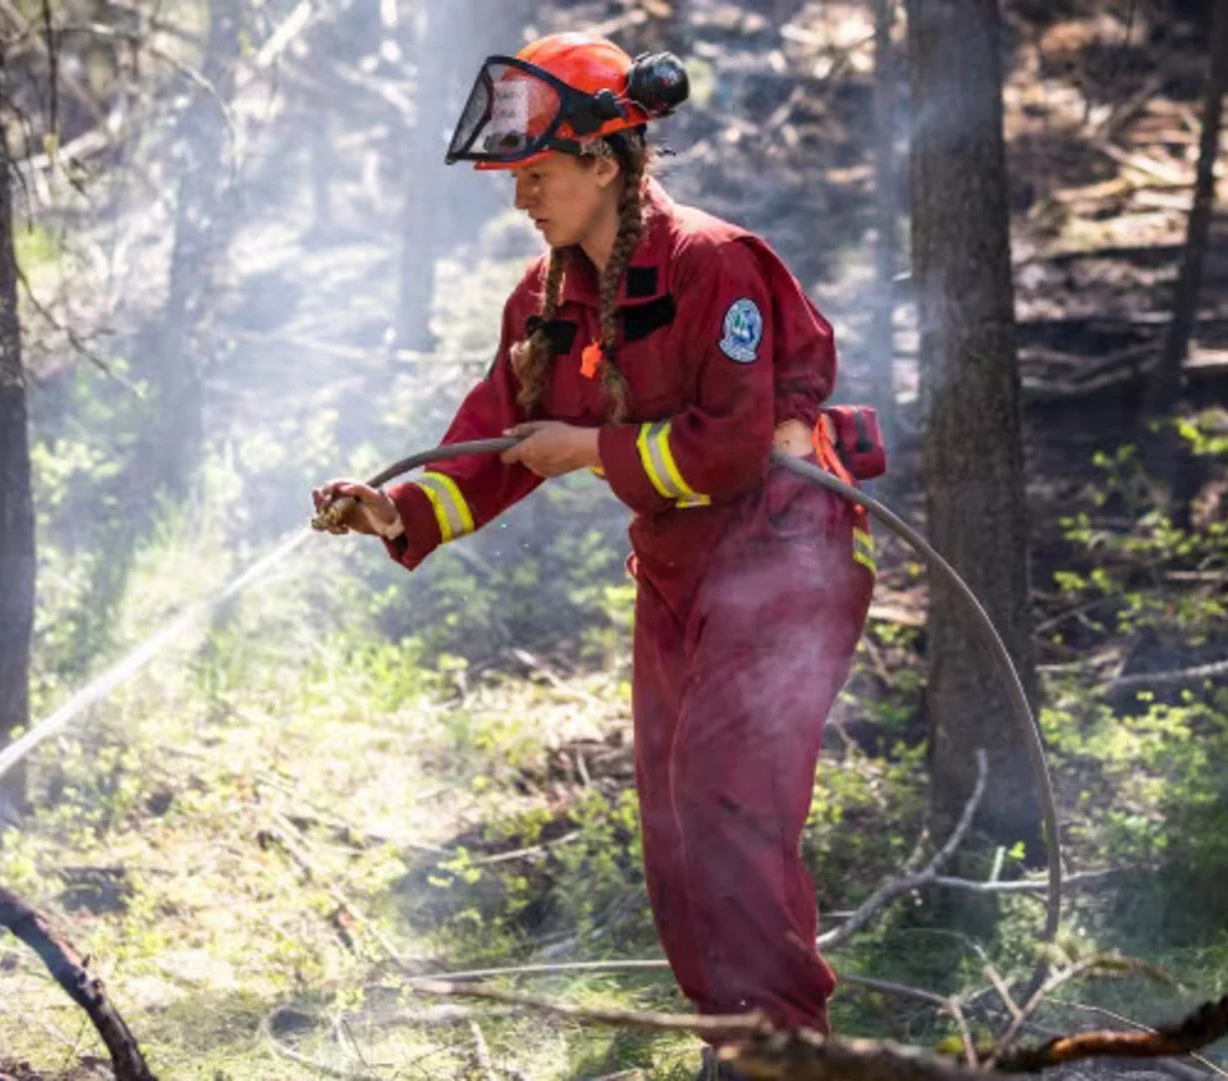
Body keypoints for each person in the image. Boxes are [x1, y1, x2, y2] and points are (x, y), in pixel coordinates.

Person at [311, 31, 881, 1070]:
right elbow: (492, 437)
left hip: (785, 562)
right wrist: (393, 510)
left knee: (724, 796)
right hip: (679, 573)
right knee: (673, 819)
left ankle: (787, 1050)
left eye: (536, 174)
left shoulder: (716, 266)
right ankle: (736, 1039)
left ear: (604, 163)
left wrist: (589, 447)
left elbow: (735, 443)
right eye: (515, 179)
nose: (521, 198)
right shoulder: (544, 300)